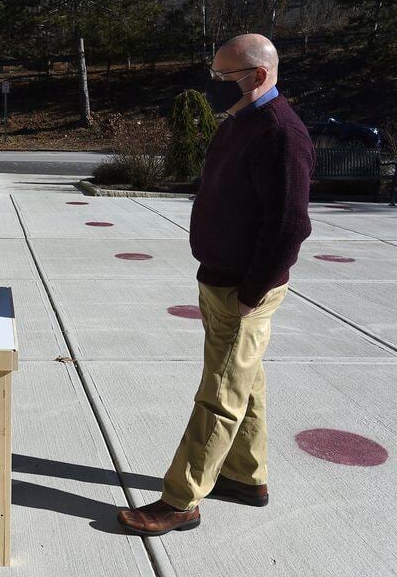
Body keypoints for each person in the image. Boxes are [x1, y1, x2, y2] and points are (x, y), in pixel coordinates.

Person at [118, 34, 315, 536]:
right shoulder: (241, 122)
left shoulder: (281, 134)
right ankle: (246, 478)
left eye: (224, 78)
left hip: (245, 291)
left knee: (219, 395)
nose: (214, 88)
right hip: (219, 280)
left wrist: (251, 291)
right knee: (244, 384)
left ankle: (181, 500)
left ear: (259, 77)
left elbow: (290, 225)